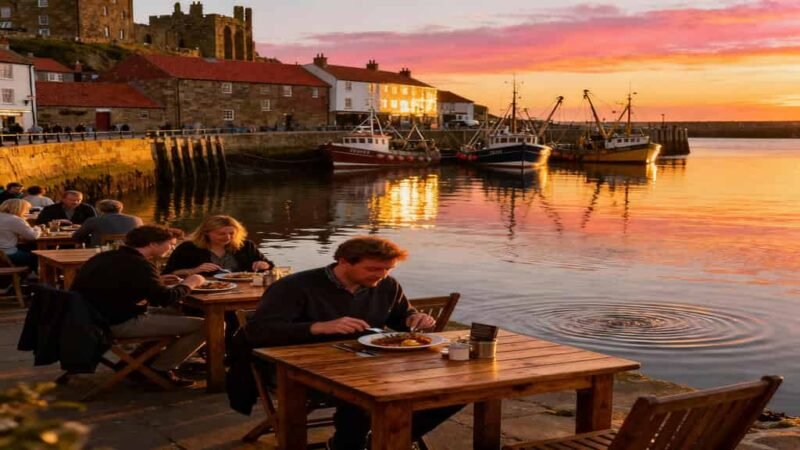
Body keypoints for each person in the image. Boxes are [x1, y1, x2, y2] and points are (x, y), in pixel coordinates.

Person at [245, 236, 461, 450]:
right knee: (363, 393)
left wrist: (412, 318)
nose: (382, 275)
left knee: (453, 389)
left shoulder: (386, 285)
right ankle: (348, 444)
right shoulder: (294, 286)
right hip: (298, 369)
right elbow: (258, 331)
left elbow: (400, 315)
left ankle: (390, 438)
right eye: (373, 269)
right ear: (344, 262)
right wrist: (318, 327)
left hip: (367, 361)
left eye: (388, 269)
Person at [70, 225, 207, 382]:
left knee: (176, 313)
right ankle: (159, 369)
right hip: (114, 323)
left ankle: (140, 362)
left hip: (89, 318)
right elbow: (164, 299)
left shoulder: (105, 256)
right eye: (170, 244)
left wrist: (155, 282)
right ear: (153, 244)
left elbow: (117, 283)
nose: (172, 248)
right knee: (206, 325)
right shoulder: (140, 264)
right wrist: (191, 282)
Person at [164, 215, 273, 276]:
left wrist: (264, 265)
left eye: (231, 233)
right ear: (206, 233)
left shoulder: (246, 246)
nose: (228, 237)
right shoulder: (188, 248)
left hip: (241, 290)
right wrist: (193, 271)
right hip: (201, 293)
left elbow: (269, 265)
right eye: (221, 234)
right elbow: (168, 274)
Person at [72, 199, 143, 247]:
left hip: (101, 253)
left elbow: (77, 237)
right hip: (130, 251)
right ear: (120, 208)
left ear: (100, 210)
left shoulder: (94, 220)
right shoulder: (136, 219)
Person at [0, 199, 41, 271]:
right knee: (40, 257)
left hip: (3, 252)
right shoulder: (14, 219)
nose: (27, 212)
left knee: (27, 248)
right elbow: (32, 236)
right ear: (21, 209)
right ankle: (41, 279)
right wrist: (38, 228)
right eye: (27, 209)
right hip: (7, 254)